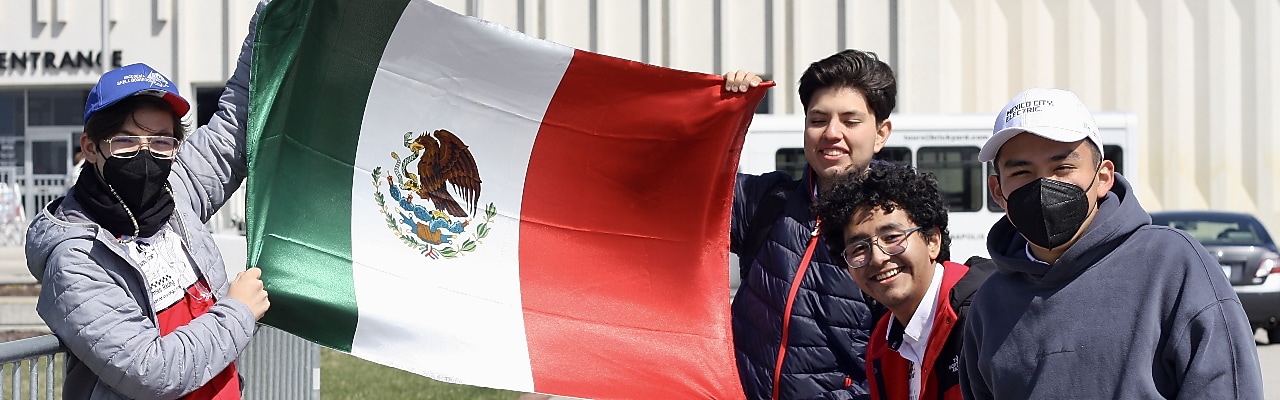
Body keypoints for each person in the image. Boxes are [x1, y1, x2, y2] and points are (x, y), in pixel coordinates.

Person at [24, 3, 270, 399]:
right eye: (125, 141)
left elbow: (235, 127)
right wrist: (238, 312)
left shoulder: (176, 194)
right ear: (90, 148)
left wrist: (268, 20)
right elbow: (150, 369)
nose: (146, 156)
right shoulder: (75, 259)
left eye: (160, 141)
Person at [960, 87, 1265, 398]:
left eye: (1062, 168)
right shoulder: (989, 305)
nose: (1043, 186)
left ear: (1103, 177)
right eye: (1022, 172)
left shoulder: (1172, 266)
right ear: (998, 191)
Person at [722, 49, 894, 400]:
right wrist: (726, 116)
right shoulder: (767, 201)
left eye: (850, 121)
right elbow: (678, 189)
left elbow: (903, 363)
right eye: (818, 120)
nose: (832, 133)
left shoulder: (898, 230)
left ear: (881, 133)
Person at [815, 161, 987, 400]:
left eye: (892, 237)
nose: (877, 258)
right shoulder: (881, 345)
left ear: (932, 241)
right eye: (858, 249)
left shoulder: (985, 317)